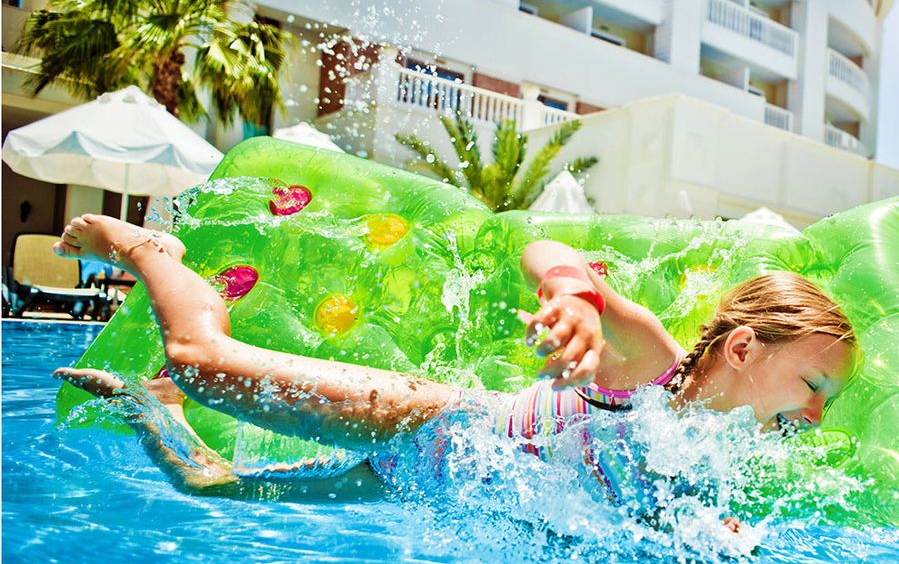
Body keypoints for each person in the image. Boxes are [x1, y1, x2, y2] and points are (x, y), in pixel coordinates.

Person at [51, 214, 857, 515]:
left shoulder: (714, 461)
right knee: (201, 357)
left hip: (427, 481)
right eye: (815, 386)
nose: (817, 414)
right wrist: (576, 296)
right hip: (430, 422)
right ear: (747, 349)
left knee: (212, 486)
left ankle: (152, 405)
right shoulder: (651, 366)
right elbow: (545, 246)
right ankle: (148, 247)